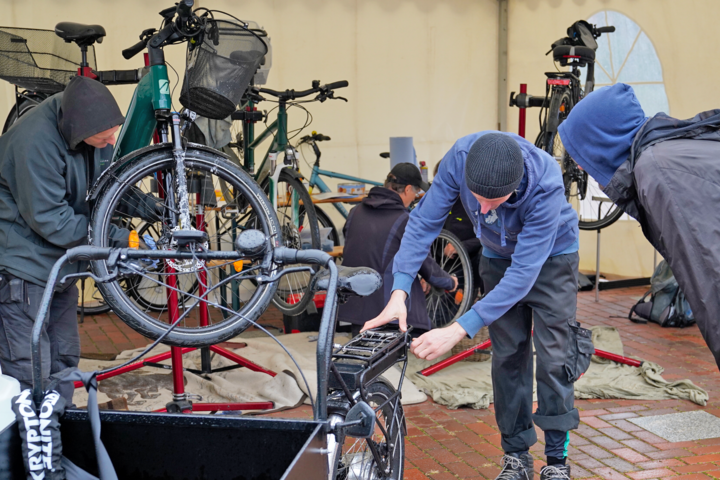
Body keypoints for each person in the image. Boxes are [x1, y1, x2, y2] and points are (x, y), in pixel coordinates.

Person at [364, 133, 587, 480]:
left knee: (555, 356)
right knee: (508, 354)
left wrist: (458, 328)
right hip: (496, 257)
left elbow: (523, 274)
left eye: (493, 202)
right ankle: (516, 457)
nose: (481, 211)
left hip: (552, 259)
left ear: (516, 188)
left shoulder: (546, 184)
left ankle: (557, 461)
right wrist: (399, 292)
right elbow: (423, 223)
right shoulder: (461, 157)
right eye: (476, 200)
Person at [0, 76, 154, 404]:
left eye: (115, 129)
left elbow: (108, 186)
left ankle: (62, 434)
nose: (113, 138)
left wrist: (153, 209)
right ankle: (34, 449)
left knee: (64, 359)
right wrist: (117, 239)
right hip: (23, 272)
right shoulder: (35, 143)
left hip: (59, 267)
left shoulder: (87, 132)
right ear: (79, 128)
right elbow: (51, 221)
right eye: (107, 133)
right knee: (30, 369)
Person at [558, 82, 720, 371]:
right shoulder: (666, 149)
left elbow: (711, 275)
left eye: (582, 153)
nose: (580, 168)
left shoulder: (656, 172)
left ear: (602, 140)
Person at [339, 163, 457, 337]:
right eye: (416, 192)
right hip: (389, 309)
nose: (415, 198)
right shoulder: (404, 220)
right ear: (408, 189)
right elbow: (427, 267)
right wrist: (449, 281)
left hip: (355, 308)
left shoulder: (354, 212)